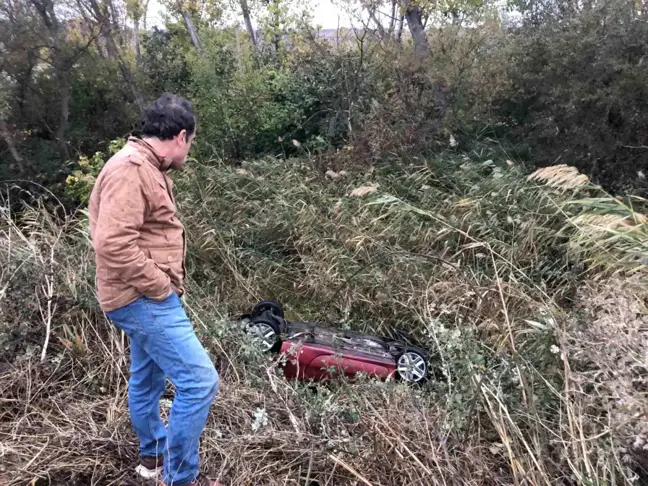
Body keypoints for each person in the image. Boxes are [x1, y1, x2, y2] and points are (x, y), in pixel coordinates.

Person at [88, 93, 224, 486]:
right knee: (200, 382)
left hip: (139, 295)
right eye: (191, 143)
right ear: (181, 136)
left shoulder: (145, 164)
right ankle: (180, 479)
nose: (189, 151)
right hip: (141, 298)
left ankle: (153, 457)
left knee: (147, 380)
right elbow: (112, 243)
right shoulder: (132, 169)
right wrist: (161, 286)